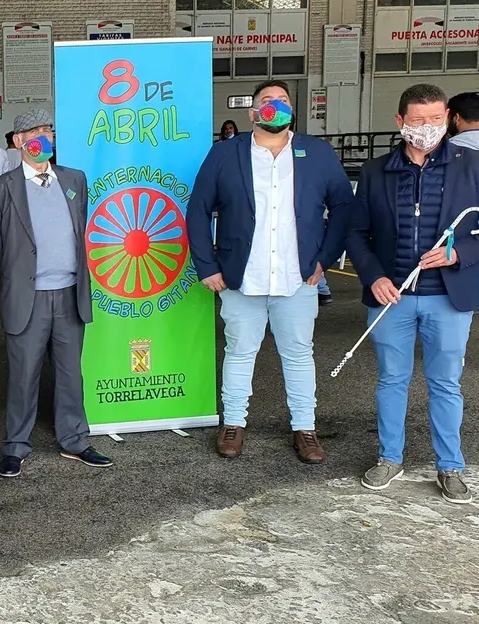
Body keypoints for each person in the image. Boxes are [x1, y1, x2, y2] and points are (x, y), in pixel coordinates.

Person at [187, 80, 354, 463]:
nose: (274, 106)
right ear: (252, 113)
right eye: (266, 101)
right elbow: (198, 210)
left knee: (298, 354)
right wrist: (207, 266)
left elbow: (344, 206)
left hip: (297, 277)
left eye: (281, 101)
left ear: (292, 110)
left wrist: (324, 258)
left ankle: (305, 428)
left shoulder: (317, 152)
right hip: (240, 276)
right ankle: (233, 424)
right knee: (240, 352)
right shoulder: (225, 154)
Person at [344, 83, 479, 503]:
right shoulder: (374, 171)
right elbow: (356, 232)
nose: (428, 128)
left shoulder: (472, 166)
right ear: (401, 122)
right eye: (418, 121)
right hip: (392, 296)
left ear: (448, 120)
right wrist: (374, 277)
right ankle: (390, 458)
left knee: (445, 382)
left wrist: (459, 253)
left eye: (436, 119)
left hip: (449, 296)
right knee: (391, 380)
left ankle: (450, 466)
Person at [0, 109, 113, 478]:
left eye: (48, 130)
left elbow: (79, 229)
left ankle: (75, 440)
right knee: (24, 374)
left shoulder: (74, 179)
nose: (43, 137)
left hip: (70, 293)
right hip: (29, 296)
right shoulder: (0, 188)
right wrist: (23, 277)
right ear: (18, 140)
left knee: (71, 373)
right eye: (34, 131)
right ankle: (16, 446)